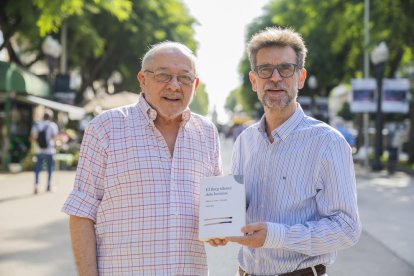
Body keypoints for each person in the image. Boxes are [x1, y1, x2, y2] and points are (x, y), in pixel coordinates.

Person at [211, 27, 361, 276]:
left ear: (300, 77)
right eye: (265, 70)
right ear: (254, 80)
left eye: (286, 69)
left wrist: (276, 236)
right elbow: (237, 209)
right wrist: (219, 226)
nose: (275, 78)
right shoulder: (245, 141)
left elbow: (347, 228)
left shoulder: (328, 143)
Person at [62, 41, 222, 275]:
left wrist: (218, 228)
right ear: (142, 80)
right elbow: (82, 212)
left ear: (195, 84)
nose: (174, 86)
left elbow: (214, 207)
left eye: (185, 78)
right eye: (163, 75)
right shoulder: (105, 128)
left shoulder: (207, 132)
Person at [30, 109, 59, 194]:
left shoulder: (37, 125)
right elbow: (55, 137)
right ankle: (48, 186)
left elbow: (32, 137)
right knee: (50, 168)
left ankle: (36, 185)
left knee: (38, 168)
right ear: (50, 117)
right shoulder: (52, 125)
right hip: (49, 150)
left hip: (39, 150)